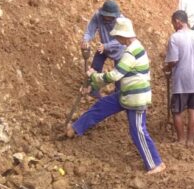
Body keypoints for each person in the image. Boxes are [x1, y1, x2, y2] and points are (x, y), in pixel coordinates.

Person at [67, 18, 164, 174]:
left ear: (124, 36)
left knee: (137, 130)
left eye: (117, 36)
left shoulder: (132, 52)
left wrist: (94, 77)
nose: (116, 39)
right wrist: (92, 86)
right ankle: (75, 128)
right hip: (127, 94)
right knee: (102, 106)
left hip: (136, 98)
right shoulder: (133, 48)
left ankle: (156, 164)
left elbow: (115, 76)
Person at [164, 10, 194, 145]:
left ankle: (181, 139)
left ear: (178, 21)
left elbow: (174, 60)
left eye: (173, 23)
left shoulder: (175, 37)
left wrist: (166, 68)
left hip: (182, 80)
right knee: (193, 109)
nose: (173, 26)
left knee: (176, 111)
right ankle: (190, 140)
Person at [81, 0, 126, 98]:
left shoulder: (121, 21)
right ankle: (93, 90)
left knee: (119, 74)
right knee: (95, 67)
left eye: (110, 16)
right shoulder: (98, 16)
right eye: (106, 15)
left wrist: (106, 46)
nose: (107, 18)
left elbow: (121, 40)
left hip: (119, 50)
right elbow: (90, 30)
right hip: (103, 47)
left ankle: (117, 95)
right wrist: (85, 40)